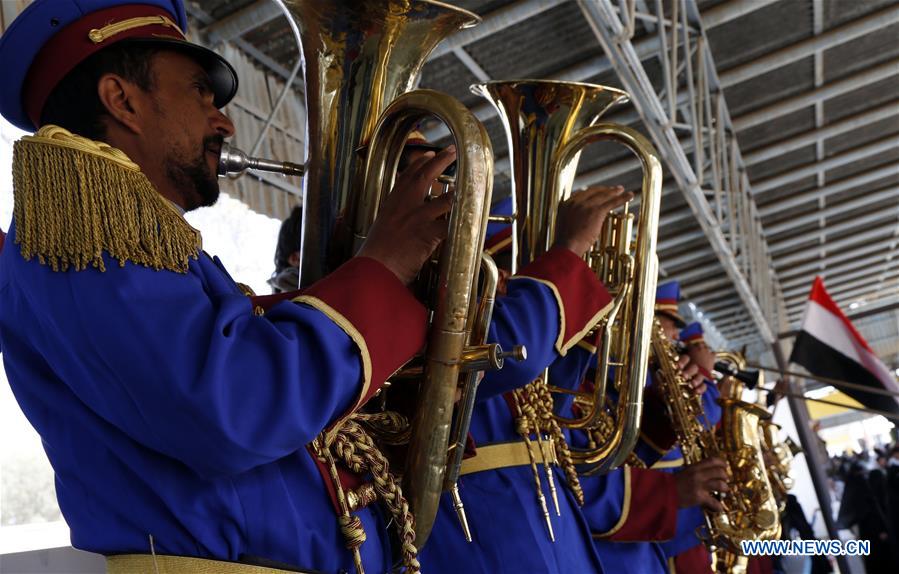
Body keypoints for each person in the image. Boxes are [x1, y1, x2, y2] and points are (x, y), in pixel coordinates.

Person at [0, 1, 464, 572]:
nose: (223, 122)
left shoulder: (127, 239)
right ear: (122, 101)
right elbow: (233, 406)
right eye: (200, 94)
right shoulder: (87, 226)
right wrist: (385, 266)